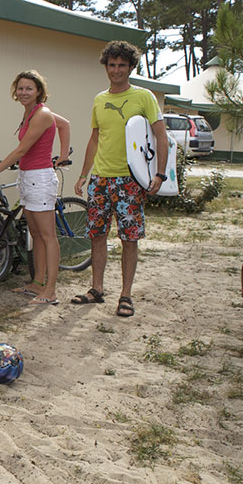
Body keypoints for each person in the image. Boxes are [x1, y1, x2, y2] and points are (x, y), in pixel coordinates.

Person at [70, 41, 167, 317]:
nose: (116, 70)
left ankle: (126, 295)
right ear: (106, 67)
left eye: (122, 65)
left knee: (129, 238)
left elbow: (161, 136)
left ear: (130, 67)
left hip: (130, 181)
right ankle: (96, 289)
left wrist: (159, 174)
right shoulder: (100, 99)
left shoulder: (144, 97)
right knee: (97, 236)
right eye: (111, 65)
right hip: (100, 179)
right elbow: (95, 138)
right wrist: (83, 174)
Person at [0, 70, 71, 305]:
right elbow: (65, 125)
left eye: (29, 89)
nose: (23, 92)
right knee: (35, 234)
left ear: (39, 92)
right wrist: (63, 155)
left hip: (40, 178)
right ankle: (37, 283)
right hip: (28, 176)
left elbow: (22, 150)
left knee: (47, 236)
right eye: (20, 88)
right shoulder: (32, 113)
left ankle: (51, 291)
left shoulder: (42, 113)